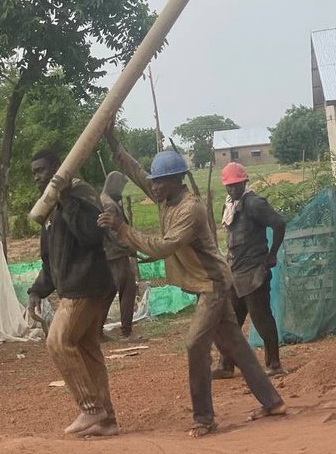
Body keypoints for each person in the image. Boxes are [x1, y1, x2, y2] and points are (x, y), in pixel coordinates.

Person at [98, 145, 286, 438]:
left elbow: (162, 247)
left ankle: (204, 418)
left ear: (176, 180)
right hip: (207, 283)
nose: (154, 186)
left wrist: (122, 228)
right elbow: (136, 173)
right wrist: (114, 143)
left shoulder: (190, 209)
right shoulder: (165, 197)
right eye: (154, 181)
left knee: (195, 345)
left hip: (212, 284)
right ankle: (273, 403)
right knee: (237, 347)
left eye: (160, 181)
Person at [26, 149, 118, 438]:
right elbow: (50, 261)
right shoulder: (50, 208)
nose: (37, 177)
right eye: (34, 173)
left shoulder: (81, 195)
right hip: (79, 287)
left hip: (87, 287)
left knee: (58, 341)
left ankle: (92, 410)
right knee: (87, 349)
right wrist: (37, 291)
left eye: (42, 170)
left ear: (59, 169)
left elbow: (92, 234)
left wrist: (67, 198)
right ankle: (107, 420)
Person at [212, 162, 285, 379]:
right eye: (229, 186)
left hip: (254, 272)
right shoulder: (229, 206)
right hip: (235, 273)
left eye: (236, 185)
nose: (232, 189)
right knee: (229, 321)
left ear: (244, 182)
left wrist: (272, 255)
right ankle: (226, 365)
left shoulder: (254, 204)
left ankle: (274, 363)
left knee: (261, 318)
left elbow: (279, 224)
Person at [100, 171, 138, 339]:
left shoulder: (106, 201)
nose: (122, 190)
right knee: (128, 289)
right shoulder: (109, 204)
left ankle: (96, 331)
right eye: (121, 186)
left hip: (109, 255)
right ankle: (126, 332)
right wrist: (128, 247)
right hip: (116, 254)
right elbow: (112, 232)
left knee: (108, 292)